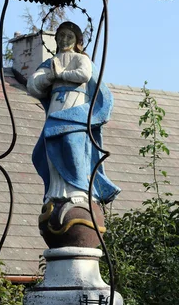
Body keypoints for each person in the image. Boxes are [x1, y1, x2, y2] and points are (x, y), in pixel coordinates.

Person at [27, 21, 120, 206]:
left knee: (72, 141)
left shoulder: (81, 59)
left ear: (77, 40)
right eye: (60, 36)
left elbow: (84, 74)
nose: (64, 40)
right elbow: (33, 85)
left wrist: (60, 74)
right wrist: (49, 77)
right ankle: (56, 190)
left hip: (76, 106)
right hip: (56, 107)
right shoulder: (50, 62)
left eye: (69, 36)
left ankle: (80, 188)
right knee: (52, 143)